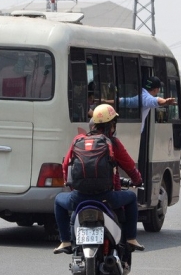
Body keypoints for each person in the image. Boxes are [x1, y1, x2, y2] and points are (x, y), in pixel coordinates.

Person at [53, 104, 144, 254]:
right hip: (106, 198)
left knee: (58, 200)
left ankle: (65, 241)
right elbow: (130, 167)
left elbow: (66, 165)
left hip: (79, 198)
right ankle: (131, 239)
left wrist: (70, 185)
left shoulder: (79, 140)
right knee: (132, 198)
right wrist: (138, 181)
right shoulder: (113, 143)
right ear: (112, 125)